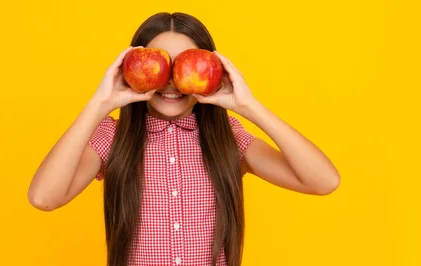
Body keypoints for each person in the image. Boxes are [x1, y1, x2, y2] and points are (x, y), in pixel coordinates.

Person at [27, 12, 340, 266]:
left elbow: (323, 181)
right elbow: (44, 198)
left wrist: (250, 107)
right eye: (160, 65)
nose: (174, 81)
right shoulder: (113, 137)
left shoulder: (226, 137)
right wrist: (99, 104)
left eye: (184, 65)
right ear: (130, 68)